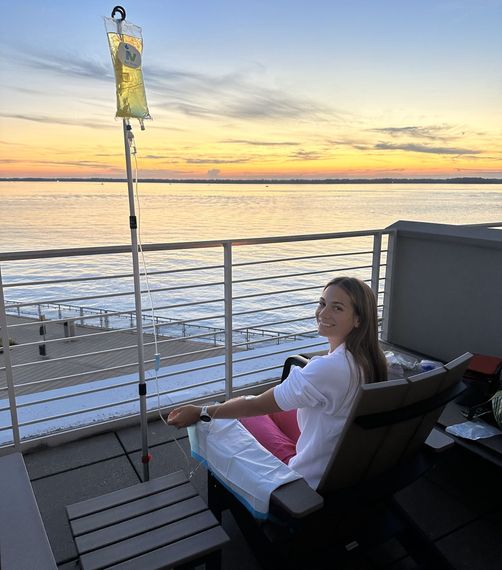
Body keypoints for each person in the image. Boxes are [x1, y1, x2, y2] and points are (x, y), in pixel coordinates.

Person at [167, 276, 388, 489]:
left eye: (337, 307)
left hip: (312, 478)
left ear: (359, 319)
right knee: (263, 405)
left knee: (245, 415)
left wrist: (201, 411)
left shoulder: (328, 369)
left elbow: (256, 406)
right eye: (322, 303)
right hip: (345, 463)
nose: (324, 313)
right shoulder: (372, 359)